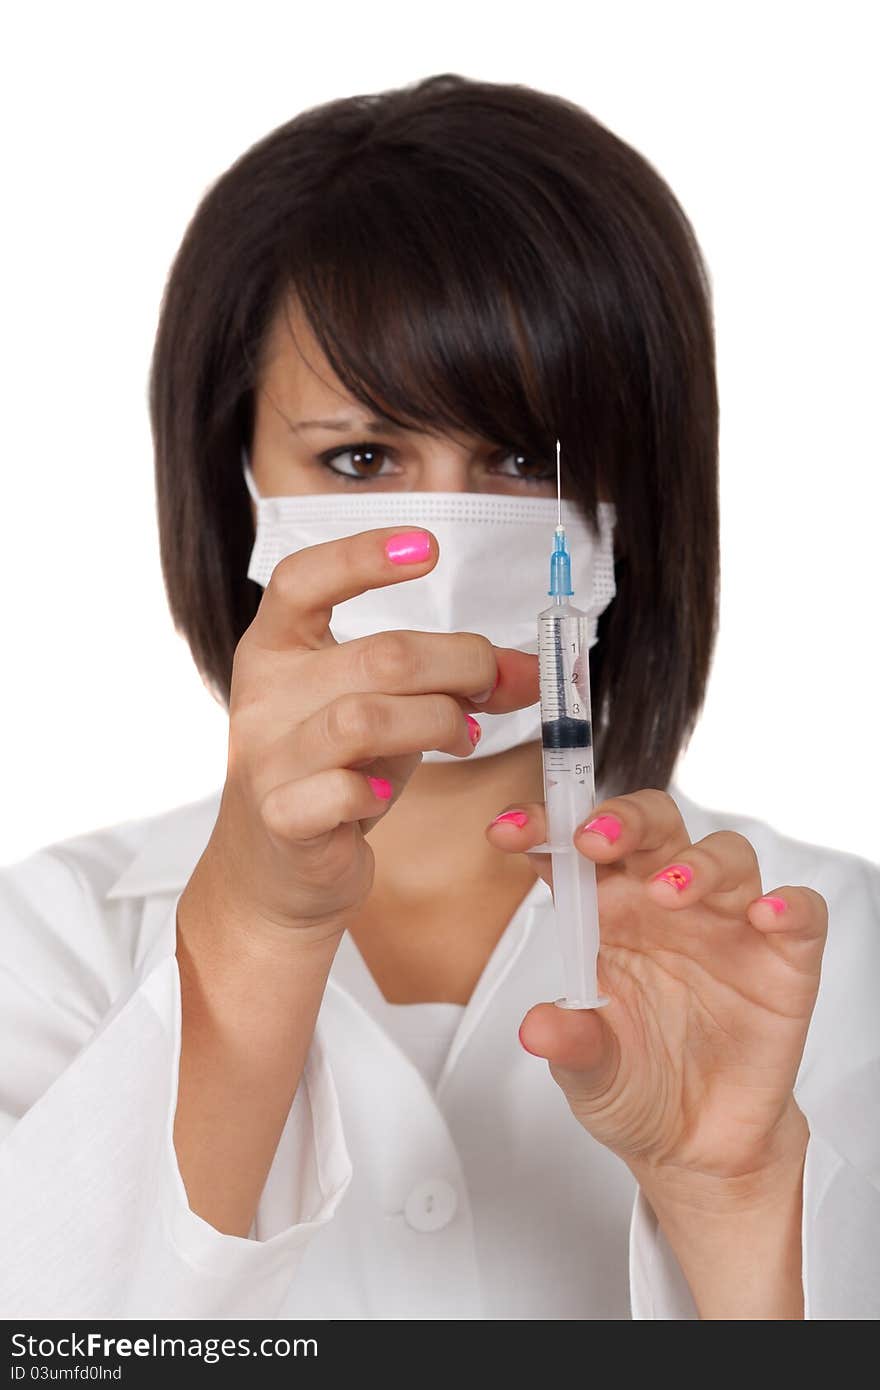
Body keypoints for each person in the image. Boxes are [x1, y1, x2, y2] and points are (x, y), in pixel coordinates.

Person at [1, 72, 878, 1322]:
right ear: (230, 478)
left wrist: (731, 1200)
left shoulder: (826, 952)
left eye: (523, 457)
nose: (451, 543)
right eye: (359, 458)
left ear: (643, 488)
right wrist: (253, 934)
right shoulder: (46, 954)